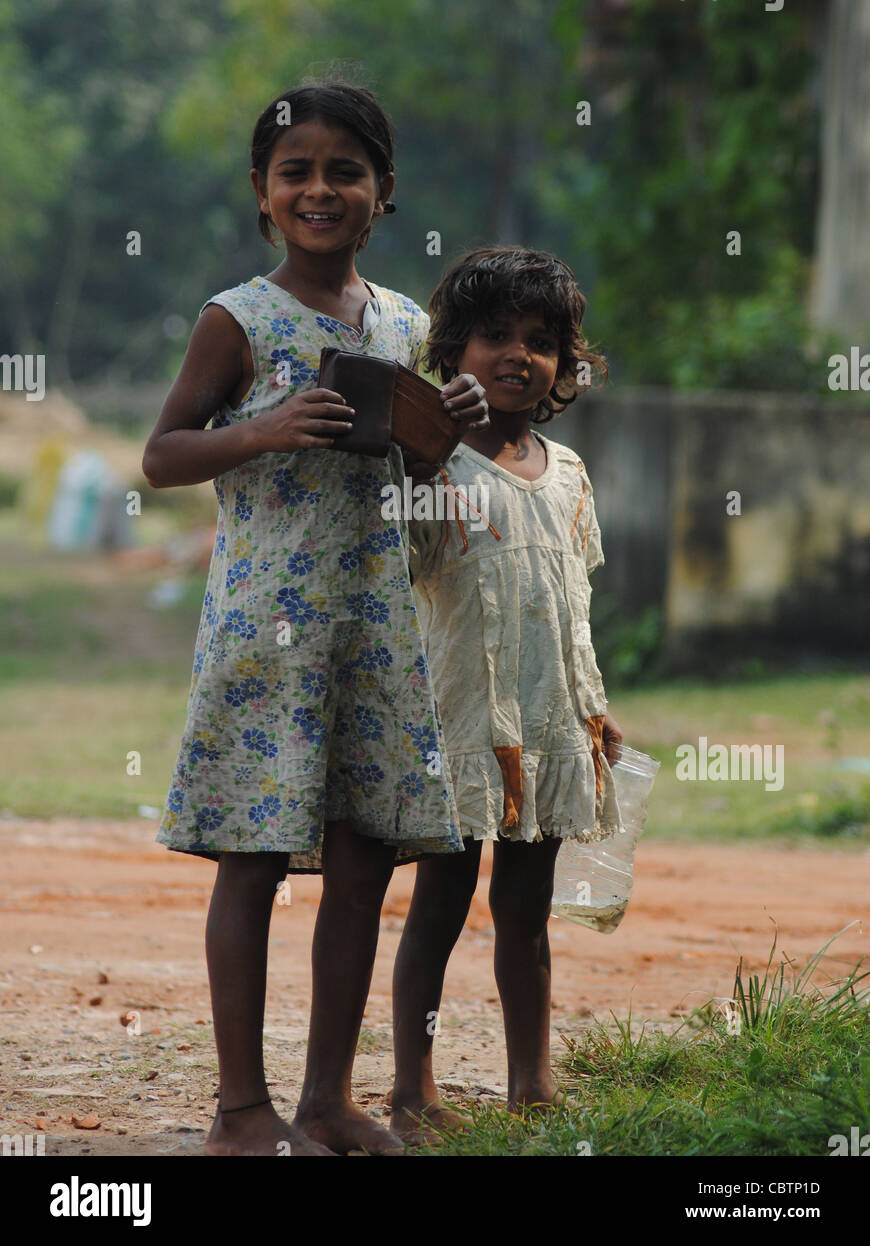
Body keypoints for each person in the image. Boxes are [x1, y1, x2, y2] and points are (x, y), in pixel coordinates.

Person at [142, 80, 487, 1156]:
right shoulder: (235, 319)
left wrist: (451, 418)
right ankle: (241, 1107)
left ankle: (328, 1099)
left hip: (378, 631)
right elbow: (162, 456)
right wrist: (267, 428)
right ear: (262, 193)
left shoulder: (405, 324)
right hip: (267, 631)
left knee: (365, 856)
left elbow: (421, 463)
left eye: (347, 170)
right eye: (297, 171)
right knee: (252, 856)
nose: (321, 188)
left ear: (385, 194)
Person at [389, 246, 624, 1142]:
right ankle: (413, 1090)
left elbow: (573, 604)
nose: (516, 356)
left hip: (553, 722)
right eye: (493, 336)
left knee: (526, 913)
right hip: (462, 725)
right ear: (451, 352)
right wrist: (416, 460)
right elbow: (402, 562)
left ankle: (534, 1082)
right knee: (439, 910)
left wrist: (595, 714)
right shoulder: (431, 465)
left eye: (539, 341)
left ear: (567, 363)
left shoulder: (567, 472)